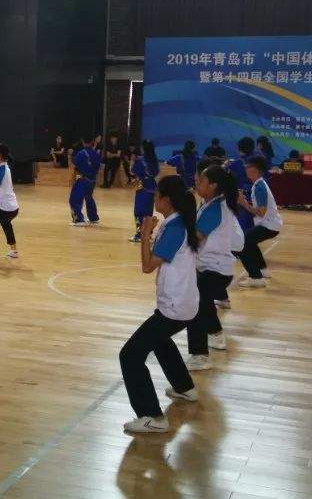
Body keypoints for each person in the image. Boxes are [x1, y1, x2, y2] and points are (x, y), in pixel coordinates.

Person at [119, 175, 199, 433]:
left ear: (167, 200)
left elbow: (147, 266)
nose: (154, 200)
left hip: (175, 306)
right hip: (182, 303)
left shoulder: (175, 229)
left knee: (130, 355)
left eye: (157, 196)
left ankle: (152, 416)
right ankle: (184, 387)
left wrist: (144, 235)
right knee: (160, 340)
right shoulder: (177, 224)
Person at [184, 165, 244, 371]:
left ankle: (200, 355)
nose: (197, 184)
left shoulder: (216, 208)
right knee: (202, 301)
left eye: (201, 181)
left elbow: (195, 238)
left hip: (216, 269)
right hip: (213, 266)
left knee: (195, 303)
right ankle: (217, 336)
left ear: (213, 186)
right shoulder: (210, 204)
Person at [236, 156, 283, 287]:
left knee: (242, 242)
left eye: (247, 167)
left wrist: (243, 203)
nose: (245, 169)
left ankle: (256, 277)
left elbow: (261, 212)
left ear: (255, 170)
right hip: (269, 224)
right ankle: (262, 270)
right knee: (250, 241)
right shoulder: (258, 184)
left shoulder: (259, 187)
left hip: (269, 225)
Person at [129, 140, 160, 242]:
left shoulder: (140, 160)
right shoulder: (154, 160)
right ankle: (148, 233)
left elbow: (132, 171)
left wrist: (132, 161)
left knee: (139, 212)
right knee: (148, 212)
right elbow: (156, 173)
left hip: (143, 188)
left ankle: (139, 235)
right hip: (152, 188)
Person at [225, 137, 256, 232]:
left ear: (239, 148)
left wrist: (225, 166)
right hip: (254, 197)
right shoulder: (257, 162)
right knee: (250, 226)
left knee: (241, 227)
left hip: (241, 197)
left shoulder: (236, 164)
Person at [69, 136, 101, 226]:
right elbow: (98, 167)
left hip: (83, 179)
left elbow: (75, 166)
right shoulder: (95, 154)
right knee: (89, 197)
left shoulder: (81, 153)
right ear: (92, 142)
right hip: (92, 180)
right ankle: (93, 218)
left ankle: (78, 219)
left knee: (74, 198)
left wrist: (73, 179)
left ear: (83, 142)